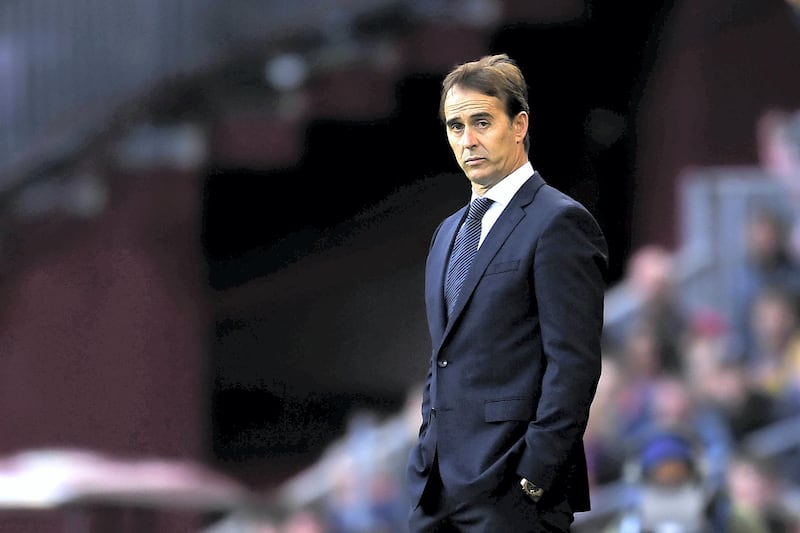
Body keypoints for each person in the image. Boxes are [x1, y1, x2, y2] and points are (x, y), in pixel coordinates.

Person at [405, 53, 609, 532]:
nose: (467, 140)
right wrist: (424, 456)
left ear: (519, 126)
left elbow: (574, 364)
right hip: (437, 491)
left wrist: (534, 476)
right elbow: (444, 357)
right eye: (455, 126)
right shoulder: (447, 233)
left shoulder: (559, 222)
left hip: (513, 493)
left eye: (481, 122)